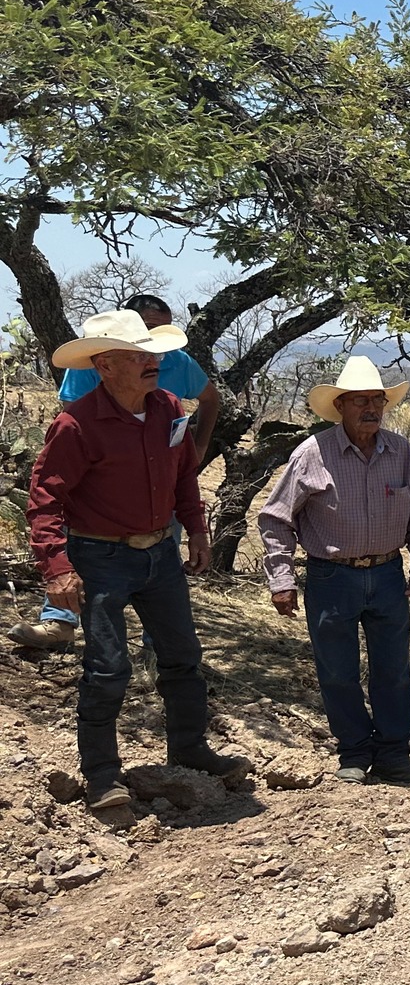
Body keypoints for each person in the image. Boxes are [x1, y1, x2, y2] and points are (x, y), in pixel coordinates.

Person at [25, 310, 248, 810]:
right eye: (140, 356)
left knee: (182, 657)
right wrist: (57, 567)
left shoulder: (168, 407)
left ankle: (189, 749)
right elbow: (45, 500)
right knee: (107, 668)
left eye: (153, 354)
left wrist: (196, 529)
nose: (154, 362)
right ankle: (102, 775)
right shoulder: (76, 423)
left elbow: (183, 476)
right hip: (100, 557)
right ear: (105, 365)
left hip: (160, 554)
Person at [258, 356, 410, 785]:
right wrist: (281, 579)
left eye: (377, 400)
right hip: (331, 576)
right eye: (360, 401)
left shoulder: (401, 451)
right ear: (340, 406)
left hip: (388, 574)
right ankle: (354, 753)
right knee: (337, 670)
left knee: (392, 669)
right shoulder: (312, 453)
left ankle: (394, 755)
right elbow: (275, 518)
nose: (371, 408)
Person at [10, 293, 222, 652]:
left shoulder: (172, 388)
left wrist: (198, 451)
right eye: (144, 339)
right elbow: (62, 461)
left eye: (156, 341)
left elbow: (205, 410)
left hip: (158, 505)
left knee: (170, 611)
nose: (154, 353)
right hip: (100, 523)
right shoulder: (81, 406)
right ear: (105, 364)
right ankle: (60, 622)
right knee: (106, 660)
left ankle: (160, 648)